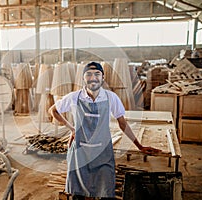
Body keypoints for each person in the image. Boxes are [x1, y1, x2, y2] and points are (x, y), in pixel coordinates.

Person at [48, 61, 161, 199]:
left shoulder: (111, 97)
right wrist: (72, 129)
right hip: (79, 153)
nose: (93, 77)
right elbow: (53, 110)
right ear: (83, 78)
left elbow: (123, 124)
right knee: (78, 193)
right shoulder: (74, 97)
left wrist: (139, 146)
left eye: (97, 74)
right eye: (88, 74)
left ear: (103, 78)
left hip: (102, 153)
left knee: (105, 190)